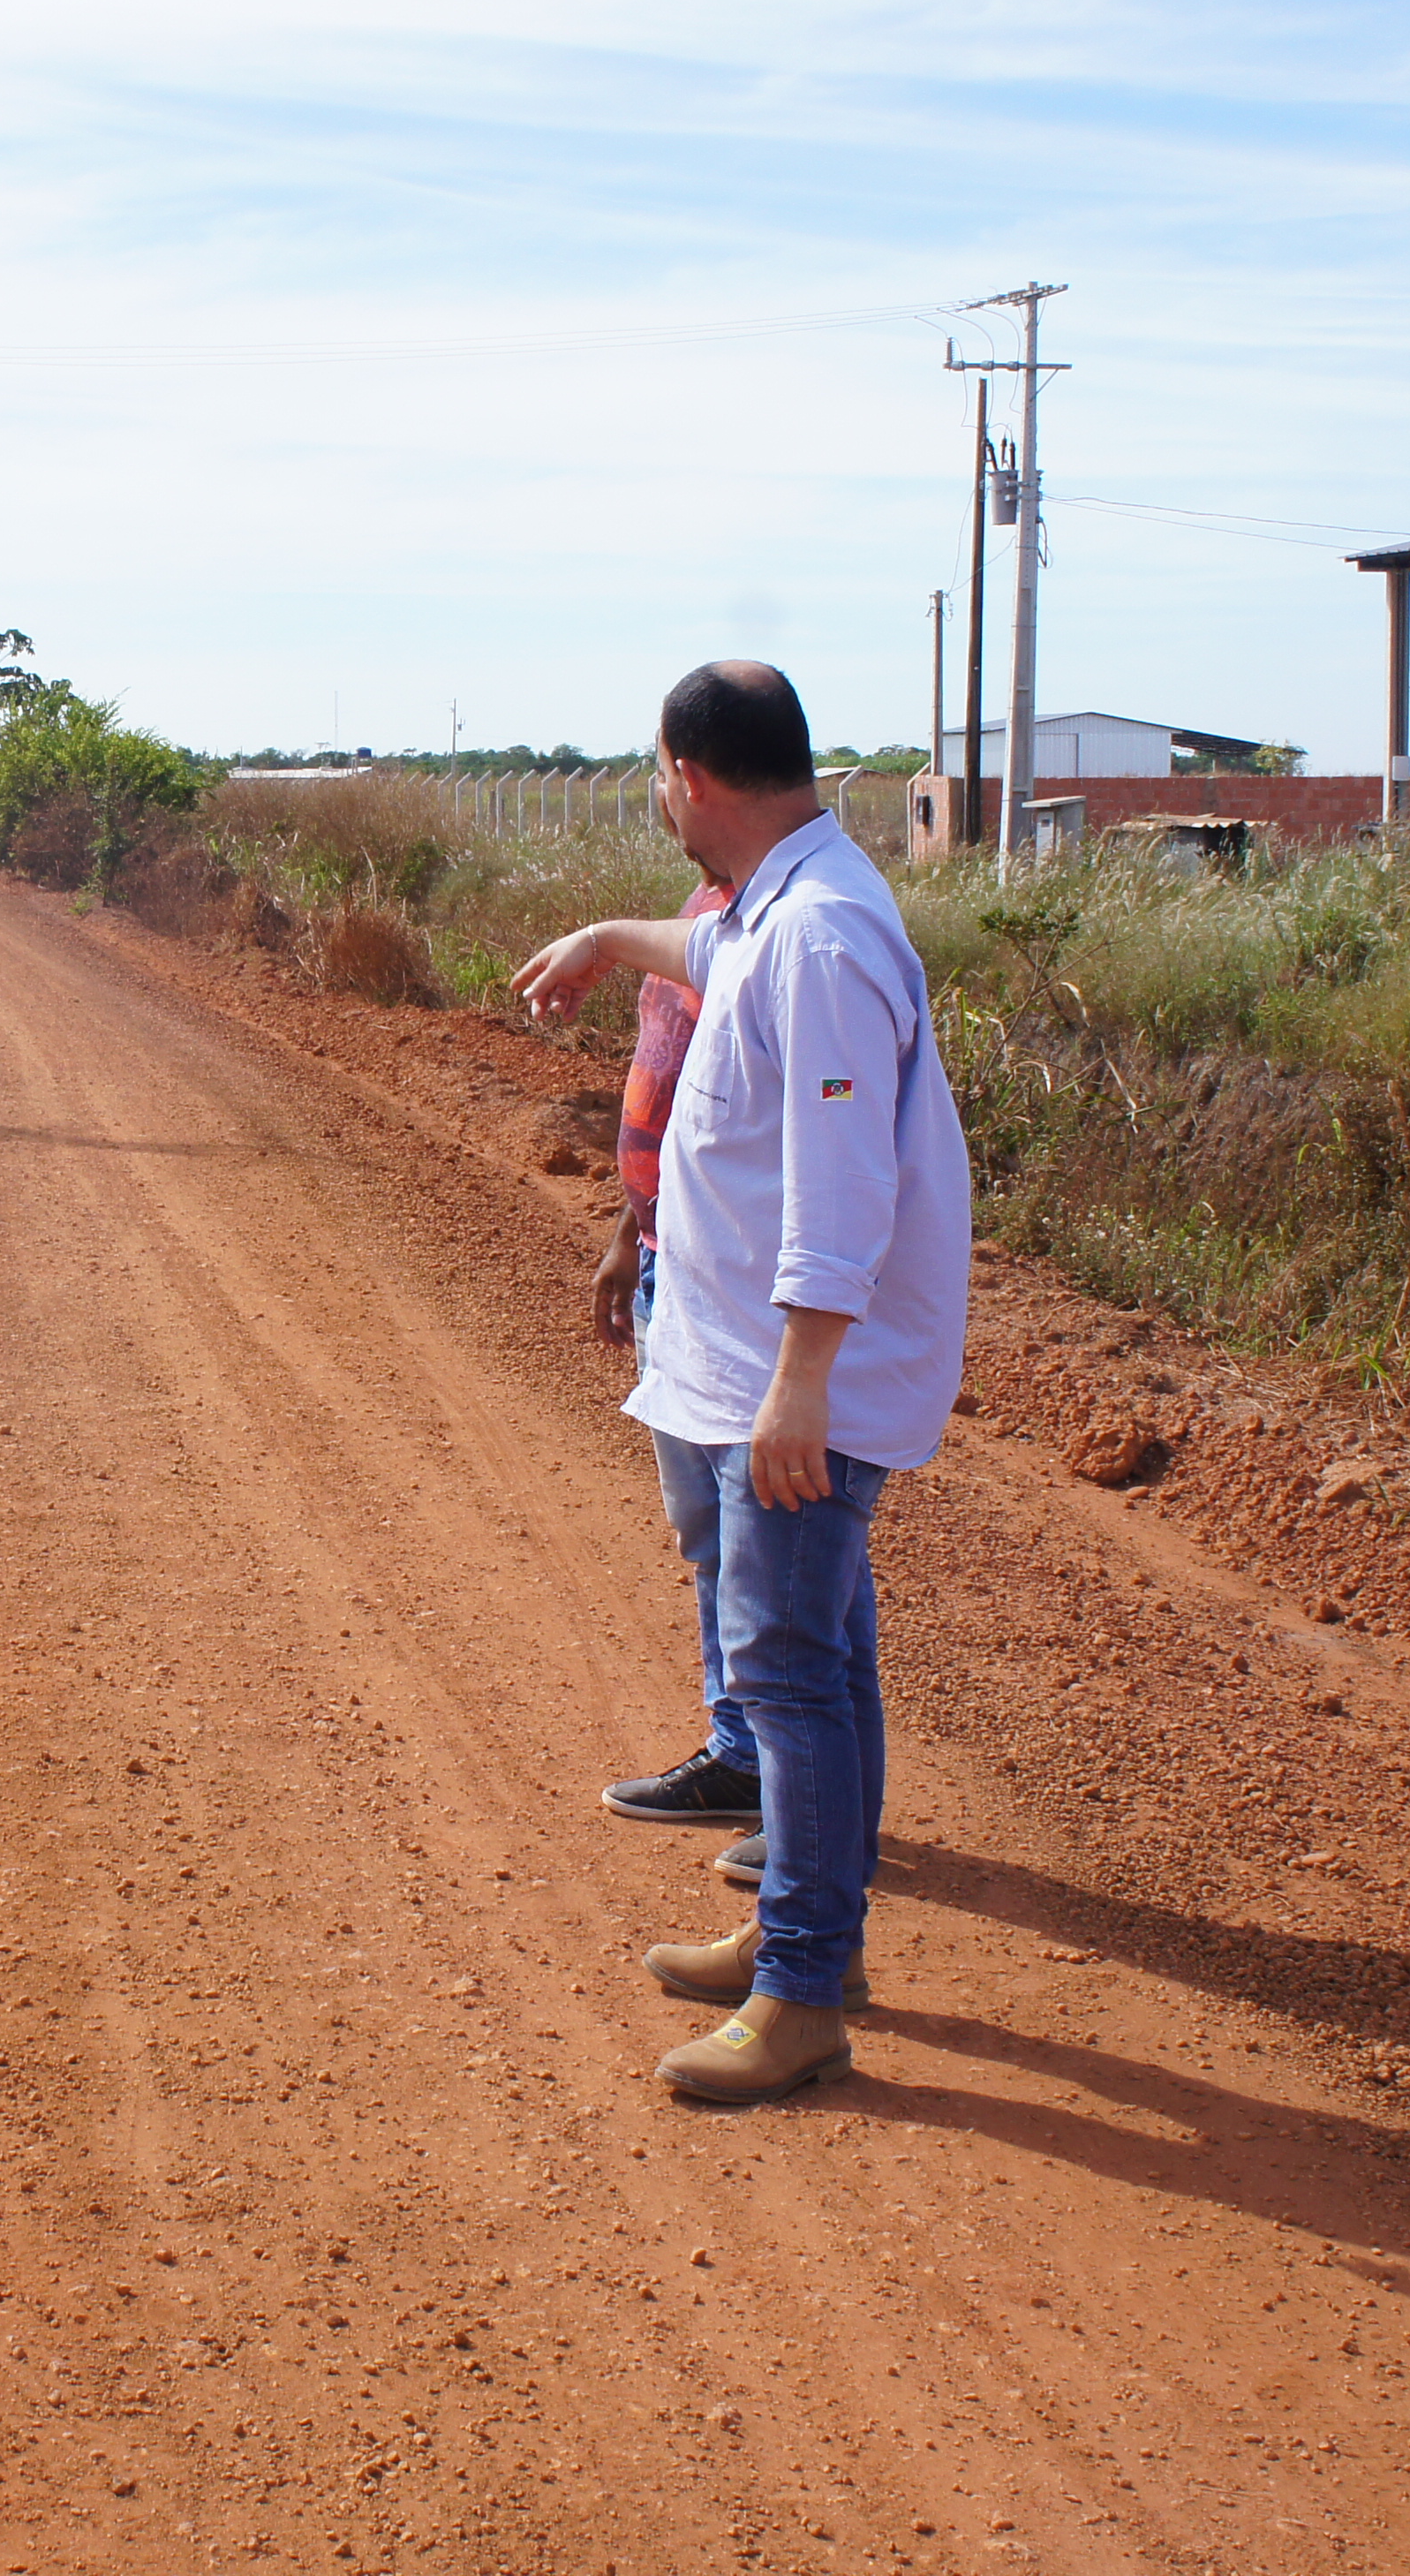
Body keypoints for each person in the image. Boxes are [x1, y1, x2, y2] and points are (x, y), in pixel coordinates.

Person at [514, 660, 969, 2106]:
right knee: (817, 1656)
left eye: (655, 774)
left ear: (688, 776)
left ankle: (802, 1993)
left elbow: (844, 1187)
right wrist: (609, 935)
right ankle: (801, 1944)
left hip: (796, 1387)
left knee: (786, 1672)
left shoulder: (819, 937)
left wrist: (799, 1388)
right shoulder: (779, 912)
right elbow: (707, 957)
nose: (656, 796)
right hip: (760, 1370)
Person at [593, 860, 762, 1847]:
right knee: (706, 1533)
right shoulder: (700, 918)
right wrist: (629, 1233)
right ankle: (737, 1750)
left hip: (726, 1282)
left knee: (770, 1552)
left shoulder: (775, 932)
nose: (657, 795)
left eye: (659, 772)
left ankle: (789, 1787)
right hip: (668, 1259)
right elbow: (678, 1107)